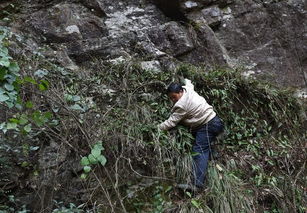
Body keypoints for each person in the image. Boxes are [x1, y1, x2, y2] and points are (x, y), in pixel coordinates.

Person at [158, 79, 224, 192]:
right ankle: (213, 154)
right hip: (215, 121)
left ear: (180, 92)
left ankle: (196, 185)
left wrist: (157, 128)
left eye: (174, 97)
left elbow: (171, 122)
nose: (173, 100)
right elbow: (190, 83)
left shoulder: (182, 105)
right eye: (171, 98)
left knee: (199, 150)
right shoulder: (188, 90)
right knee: (201, 141)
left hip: (208, 125)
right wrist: (187, 80)